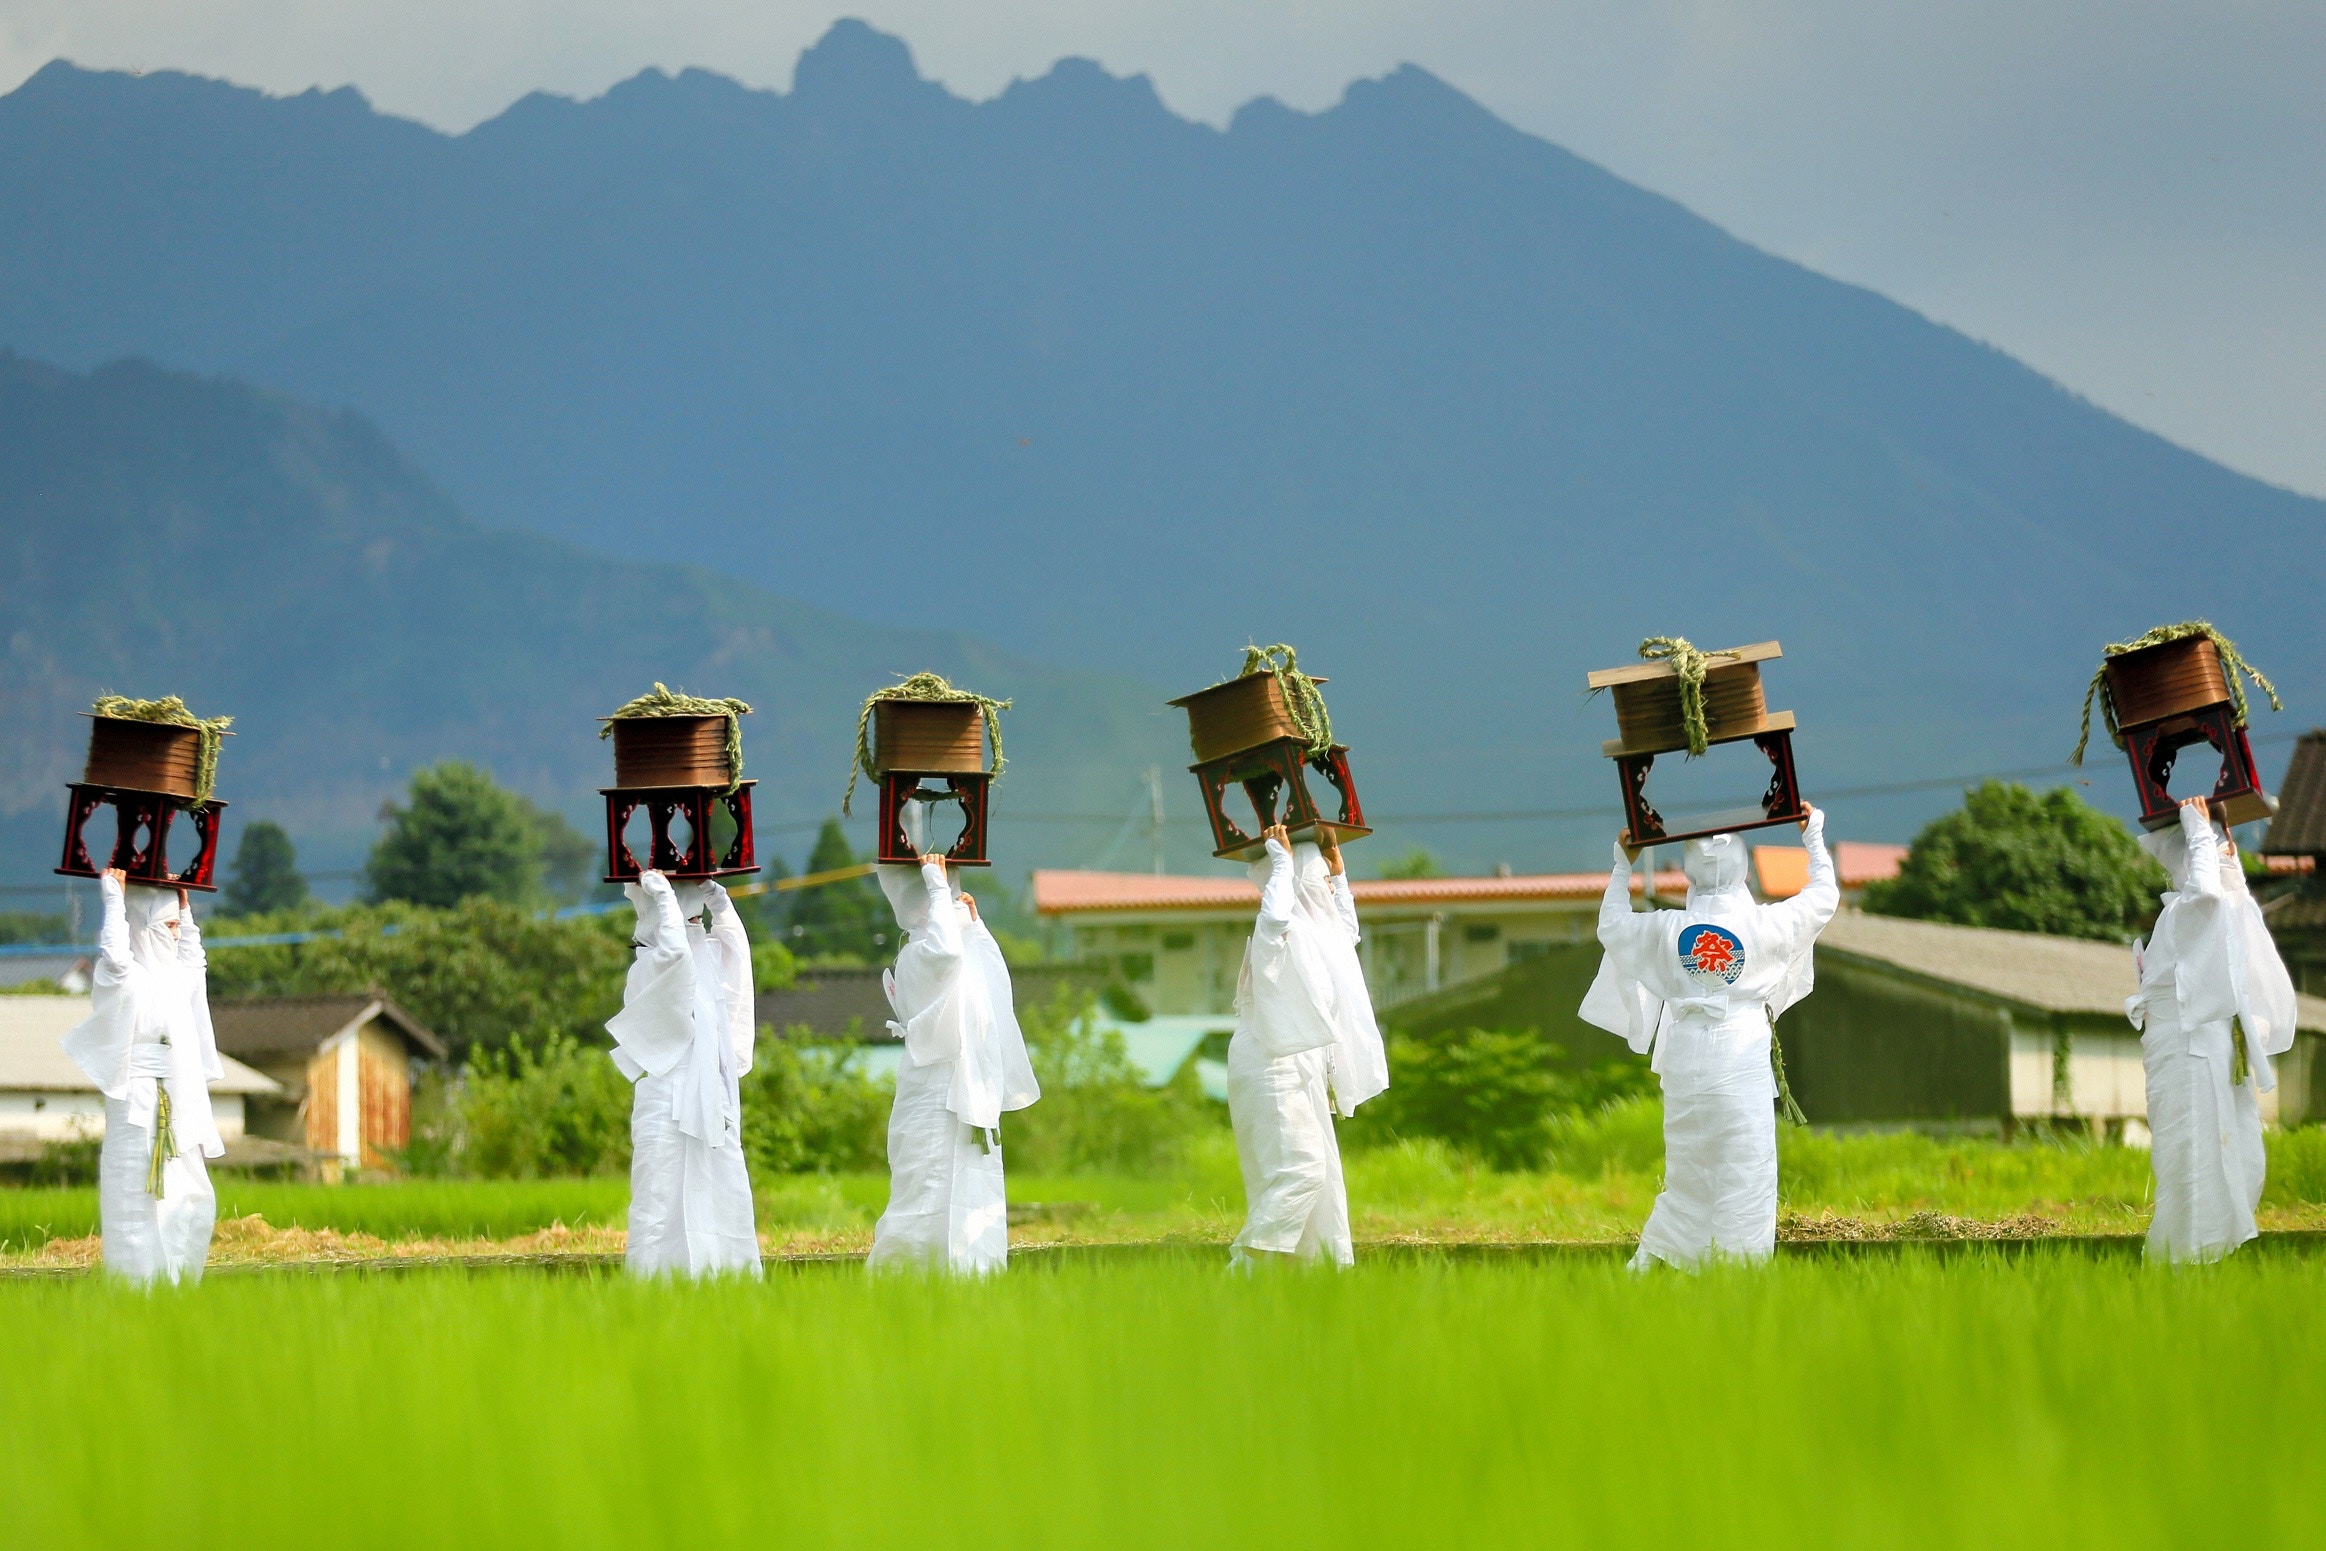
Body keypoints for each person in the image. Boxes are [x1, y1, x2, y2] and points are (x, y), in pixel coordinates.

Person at [1581, 806, 1836, 1270]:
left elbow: (1613, 926)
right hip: (1740, 1057)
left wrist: (1624, 862)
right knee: (1745, 1176)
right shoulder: (1763, 925)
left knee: (1688, 1176)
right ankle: (1737, 1283)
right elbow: (1823, 898)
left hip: (1684, 1059)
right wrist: (1812, 835)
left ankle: (1653, 1269)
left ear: (1689, 873)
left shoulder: (1668, 928)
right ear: (1742, 871)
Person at [2129, 795, 2297, 1263]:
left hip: (2196, 1053)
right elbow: (2215, 891)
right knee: (2187, 1156)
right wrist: (2211, 833)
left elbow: (2215, 891)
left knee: (2205, 1153)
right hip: (2183, 1053)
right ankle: (2185, 1261)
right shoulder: (2184, 917)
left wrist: (2204, 829)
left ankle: (2194, 1262)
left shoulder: (2198, 912)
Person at [867, 818, 1039, 1274]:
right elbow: (946, 954)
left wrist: (975, 924)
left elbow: (989, 977)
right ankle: (902, 1281)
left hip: (960, 1092)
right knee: (925, 1193)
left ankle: (967, 1278)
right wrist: (937, 888)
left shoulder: (950, 945)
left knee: (970, 1190)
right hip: (934, 1097)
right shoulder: (919, 955)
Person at [1226, 823, 1389, 1268]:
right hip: (1272, 1064)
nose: (1319, 889)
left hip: (1305, 1067)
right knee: (1300, 1169)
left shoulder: (1319, 938)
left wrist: (1338, 878)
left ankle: (1309, 1282)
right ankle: (1243, 1269)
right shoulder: (1277, 934)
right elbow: (1276, 916)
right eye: (1311, 880)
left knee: (1323, 1185)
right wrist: (1281, 863)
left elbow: (1345, 933)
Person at [61, 868, 225, 1284]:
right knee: (137, 1201)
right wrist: (115, 900)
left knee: (191, 1197)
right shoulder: (128, 978)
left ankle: (177, 1286)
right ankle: (139, 1294)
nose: (172, 936)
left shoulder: (174, 980)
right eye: (166, 926)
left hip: (177, 1100)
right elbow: (115, 957)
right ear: (145, 925)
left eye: (175, 928)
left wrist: (185, 912)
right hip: (137, 1103)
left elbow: (195, 960)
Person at [607, 869, 760, 1277]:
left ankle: (721, 1279)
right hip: (667, 1095)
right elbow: (675, 959)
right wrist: (673, 904)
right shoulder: (647, 966)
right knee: (660, 1197)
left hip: (709, 1093)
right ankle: (657, 1285)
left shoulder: (700, 951)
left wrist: (720, 908)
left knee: (719, 1188)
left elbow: (733, 959)